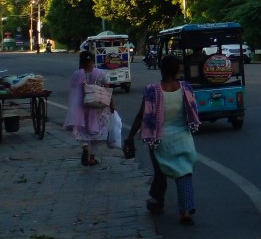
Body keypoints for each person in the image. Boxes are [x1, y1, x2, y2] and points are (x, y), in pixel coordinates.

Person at [124, 53, 201, 225]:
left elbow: (141, 115)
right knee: (184, 173)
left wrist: (130, 137)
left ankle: (158, 203)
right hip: (183, 138)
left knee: (160, 173)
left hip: (160, 140)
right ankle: (186, 212)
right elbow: (193, 111)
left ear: (161, 68)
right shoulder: (186, 88)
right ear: (176, 69)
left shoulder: (153, 90)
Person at [64, 51, 115, 167]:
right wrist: (112, 105)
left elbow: (73, 92)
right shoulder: (101, 74)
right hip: (98, 107)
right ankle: (92, 157)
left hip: (83, 107)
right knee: (99, 132)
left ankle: (85, 147)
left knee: (83, 131)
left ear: (81, 62)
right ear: (92, 61)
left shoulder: (76, 74)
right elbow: (107, 92)